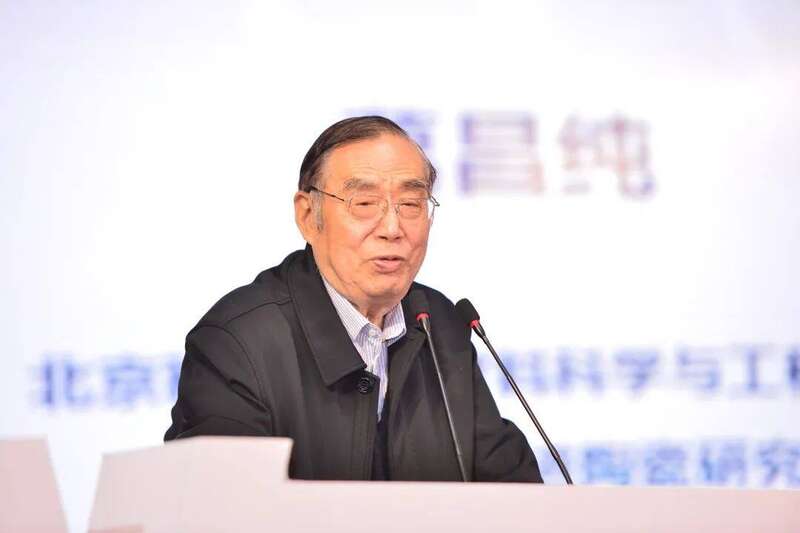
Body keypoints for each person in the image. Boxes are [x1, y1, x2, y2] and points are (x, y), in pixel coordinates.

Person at [165, 116, 543, 482]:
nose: (392, 228)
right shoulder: (238, 341)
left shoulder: (437, 324)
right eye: (364, 203)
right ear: (308, 215)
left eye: (411, 204)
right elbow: (220, 506)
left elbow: (511, 490)